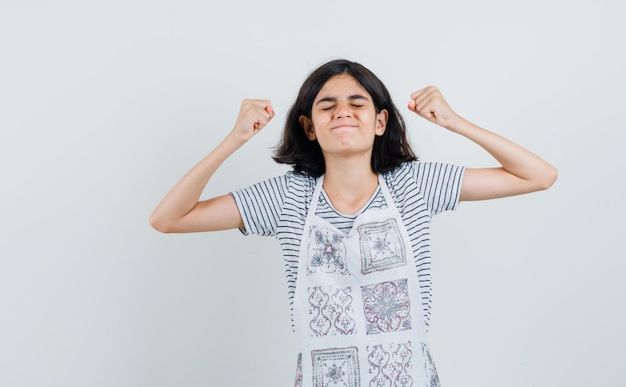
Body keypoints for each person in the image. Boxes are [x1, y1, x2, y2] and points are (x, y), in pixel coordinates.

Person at [149, 59, 557, 387]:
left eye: (357, 103)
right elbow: (168, 218)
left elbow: (538, 175)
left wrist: (454, 122)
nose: (342, 111)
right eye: (327, 106)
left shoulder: (415, 185)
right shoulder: (286, 197)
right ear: (309, 127)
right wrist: (234, 139)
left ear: (380, 122)